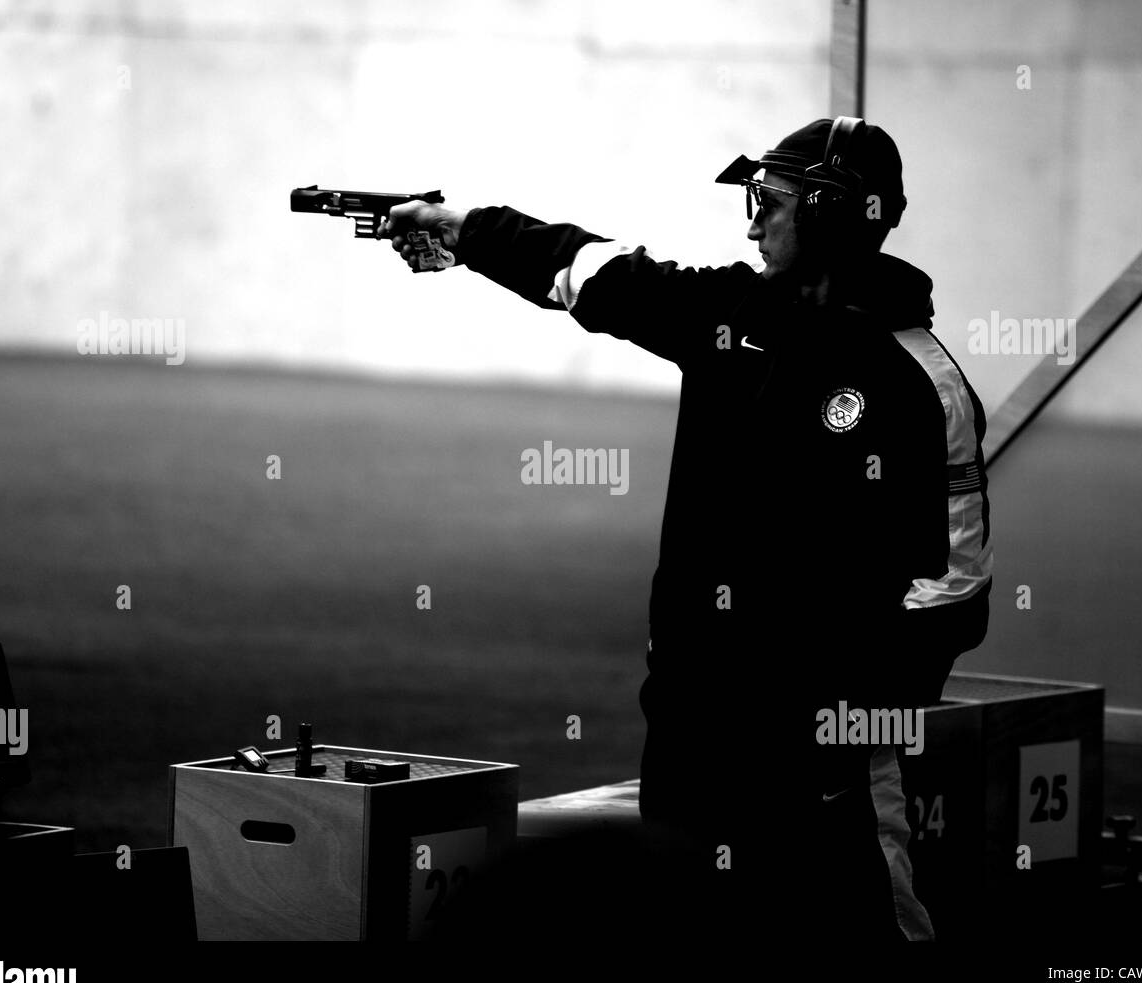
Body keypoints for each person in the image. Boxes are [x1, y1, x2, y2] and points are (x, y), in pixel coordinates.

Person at [379, 117, 992, 940]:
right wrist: (464, 231)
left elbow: (954, 597)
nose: (751, 223)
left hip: (822, 763)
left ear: (826, 210)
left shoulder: (922, 383)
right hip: (689, 734)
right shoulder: (727, 314)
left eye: (769, 202)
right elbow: (587, 268)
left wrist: (837, 723)